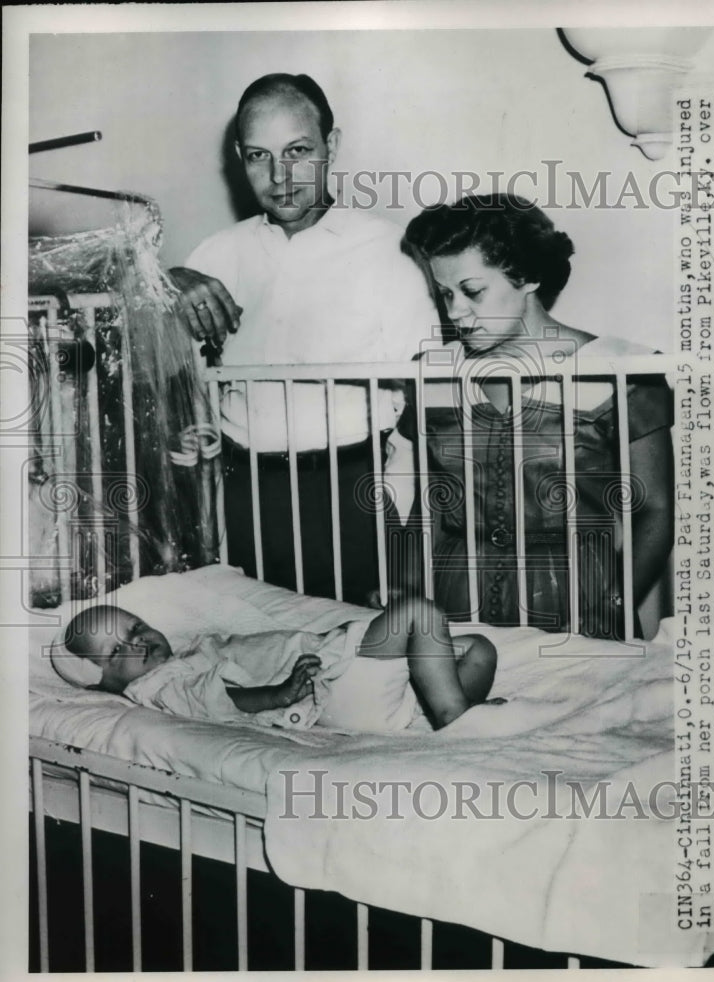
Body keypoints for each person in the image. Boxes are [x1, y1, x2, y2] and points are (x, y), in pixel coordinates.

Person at [168, 73, 437, 603]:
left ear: (331, 146)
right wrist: (164, 286)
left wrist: (404, 536)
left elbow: (427, 402)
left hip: (352, 489)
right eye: (258, 156)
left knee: (361, 652)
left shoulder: (391, 250)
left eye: (297, 151)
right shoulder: (213, 256)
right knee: (254, 653)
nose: (279, 176)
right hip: (241, 491)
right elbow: (164, 381)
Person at [399, 193, 674, 638]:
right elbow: (429, 504)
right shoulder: (432, 374)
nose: (454, 313)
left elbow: (656, 509)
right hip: (456, 598)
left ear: (526, 276)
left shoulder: (621, 369)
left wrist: (614, 603)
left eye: (472, 292)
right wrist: (408, 591)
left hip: (579, 602)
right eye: (444, 293)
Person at [54, 600, 498, 732]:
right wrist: (280, 694)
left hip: (341, 673)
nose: (137, 644)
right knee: (418, 616)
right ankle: (457, 719)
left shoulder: (187, 654)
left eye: (137, 628)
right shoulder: (157, 686)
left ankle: (438, 710)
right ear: (102, 683)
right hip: (327, 687)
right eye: (117, 653)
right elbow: (212, 698)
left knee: (478, 649)